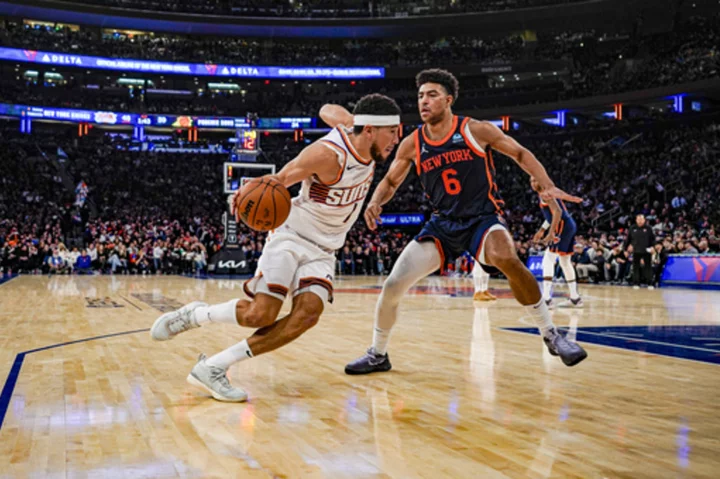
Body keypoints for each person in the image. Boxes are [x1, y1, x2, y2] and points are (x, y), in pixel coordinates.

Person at [322, 69, 587, 374]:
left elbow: (519, 153)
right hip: (441, 225)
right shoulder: (413, 142)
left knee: (506, 258)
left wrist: (547, 184)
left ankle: (551, 334)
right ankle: (378, 353)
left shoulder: (475, 130)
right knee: (393, 285)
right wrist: (375, 201)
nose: (424, 101)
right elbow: (391, 181)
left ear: (448, 100)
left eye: (432, 95)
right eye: (421, 95)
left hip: (481, 219)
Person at [150, 94, 401, 402]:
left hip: (324, 249)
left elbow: (325, 108)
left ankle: (214, 367)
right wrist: (245, 199)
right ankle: (196, 316)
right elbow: (279, 180)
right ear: (372, 130)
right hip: (292, 236)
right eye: (392, 131)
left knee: (307, 315)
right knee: (260, 314)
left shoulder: (360, 135)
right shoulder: (327, 155)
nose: (396, 139)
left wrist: (348, 119)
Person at [531, 177, 583, 308]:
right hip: (569, 225)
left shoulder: (544, 193)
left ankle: (547, 299)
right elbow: (560, 196)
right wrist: (542, 230)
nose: (533, 183)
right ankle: (575, 298)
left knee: (548, 259)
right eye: (531, 181)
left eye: (535, 180)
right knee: (565, 261)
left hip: (561, 225)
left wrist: (551, 233)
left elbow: (557, 213)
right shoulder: (549, 190)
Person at [624, 214, 655, 289]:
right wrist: (625, 250)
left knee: (648, 267)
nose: (640, 221)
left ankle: (650, 283)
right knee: (635, 267)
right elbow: (628, 239)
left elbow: (652, 239)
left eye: (641, 219)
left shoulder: (648, 228)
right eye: (638, 219)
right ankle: (636, 283)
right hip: (636, 250)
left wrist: (653, 247)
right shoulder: (632, 228)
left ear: (644, 220)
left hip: (646, 250)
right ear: (636, 220)